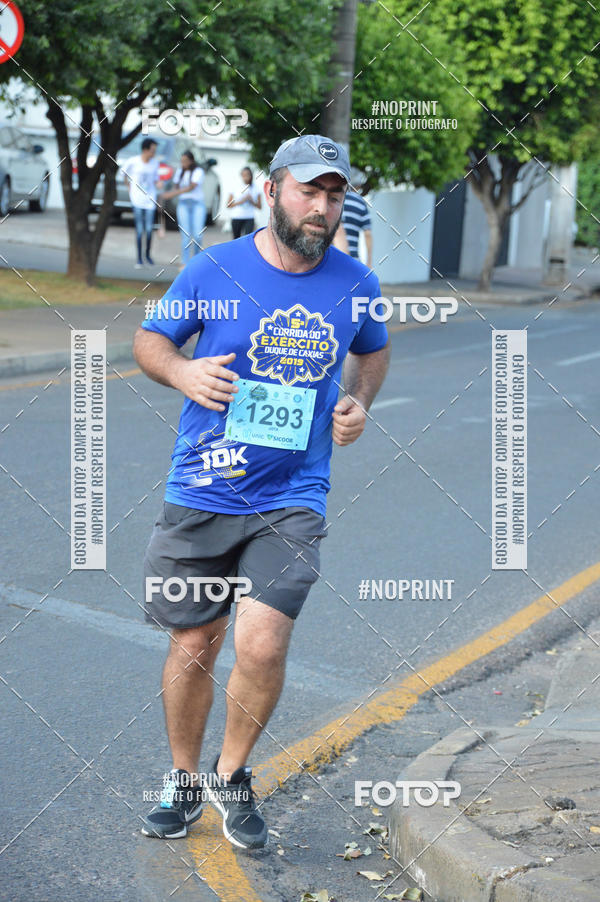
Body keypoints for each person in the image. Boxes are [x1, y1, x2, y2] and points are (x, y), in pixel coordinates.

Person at [133, 134, 390, 849]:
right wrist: (182, 374)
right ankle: (184, 779)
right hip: (203, 488)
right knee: (192, 642)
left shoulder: (353, 283)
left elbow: (373, 349)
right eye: (310, 190)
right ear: (273, 190)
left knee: (264, 640)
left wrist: (360, 401)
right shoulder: (212, 268)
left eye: (334, 195)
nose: (322, 206)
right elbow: (151, 342)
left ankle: (233, 774)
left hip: (292, 495)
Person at [160, 150, 206, 269]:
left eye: (185, 161)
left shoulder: (198, 171)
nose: (183, 164)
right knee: (185, 235)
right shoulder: (180, 171)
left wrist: (172, 194)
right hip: (183, 205)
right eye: (182, 161)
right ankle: (185, 262)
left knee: (197, 235)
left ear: (191, 161)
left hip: (197, 205)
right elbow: (175, 185)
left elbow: (191, 187)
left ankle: (196, 261)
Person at [123, 138, 161, 268]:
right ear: (145, 150)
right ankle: (139, 259)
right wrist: (129, 189)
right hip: (137, 200)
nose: (154, 153)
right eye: (152, 150)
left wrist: (159, 183)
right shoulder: (133, 161)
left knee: (149, 229)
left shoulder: (155, 163)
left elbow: (156, 179)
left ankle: (148, 256)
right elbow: (124, 175)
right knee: (140, 230)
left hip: (150, 199)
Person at [338, 177, 373, 268]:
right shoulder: (361, 203)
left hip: (334, 258)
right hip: (353, 260)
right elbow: (368, 234)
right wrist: (369, 261)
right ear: (358, 186)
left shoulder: (337, 199)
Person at [227, 166, 262, 238]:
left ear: (251, 175)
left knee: (248, 239)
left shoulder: (256, 188)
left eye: (248, 175)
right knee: (236, 239)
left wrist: (251, 201)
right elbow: (228, 205)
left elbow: (259, 206)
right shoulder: (235, 187)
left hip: (249, 217)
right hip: (236, 217)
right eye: (244, 175)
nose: (246, 177)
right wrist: (242, 201)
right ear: (241, 175)